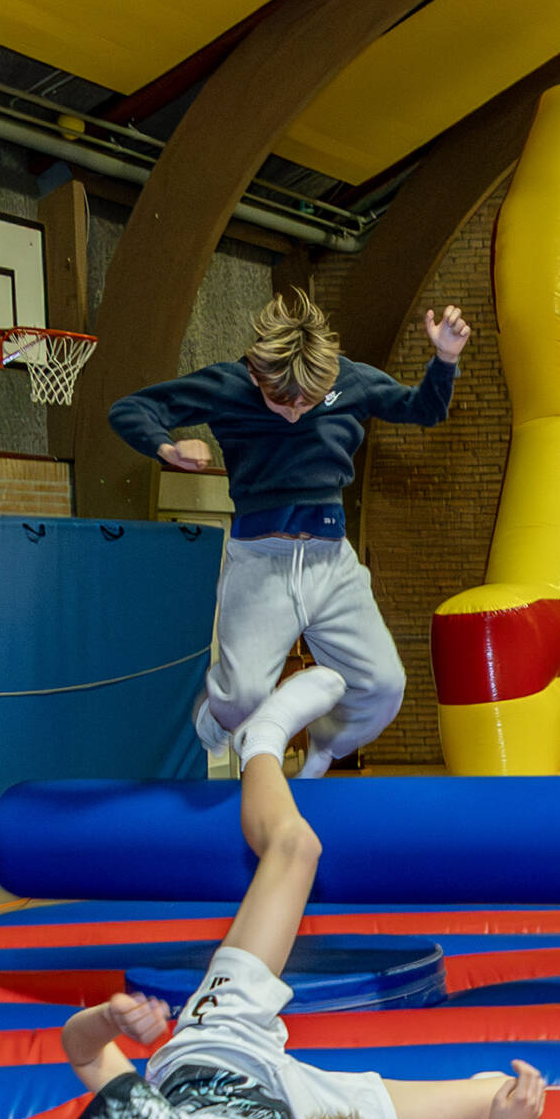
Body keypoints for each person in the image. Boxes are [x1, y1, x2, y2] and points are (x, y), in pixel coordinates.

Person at [63, 667, 547, 1119]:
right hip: (294, 1111)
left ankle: (260, 741)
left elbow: (82, 1052)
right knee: (503, 1100)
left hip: (218, 1057)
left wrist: (110, 1019)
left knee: (297, 849)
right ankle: (481, 1118)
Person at [109, 289, 469, 777]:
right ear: (257, 375)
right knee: (243, 697)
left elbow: (422, 409)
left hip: (332, 563)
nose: (296, 412)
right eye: (282, 402)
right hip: (261, 563)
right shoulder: (228, 385)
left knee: (384, 688)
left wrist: (445, 358)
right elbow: (131, 409)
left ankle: (324, 744)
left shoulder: (350, 379)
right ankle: (216, 713)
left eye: (309, 402)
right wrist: (166, 448)